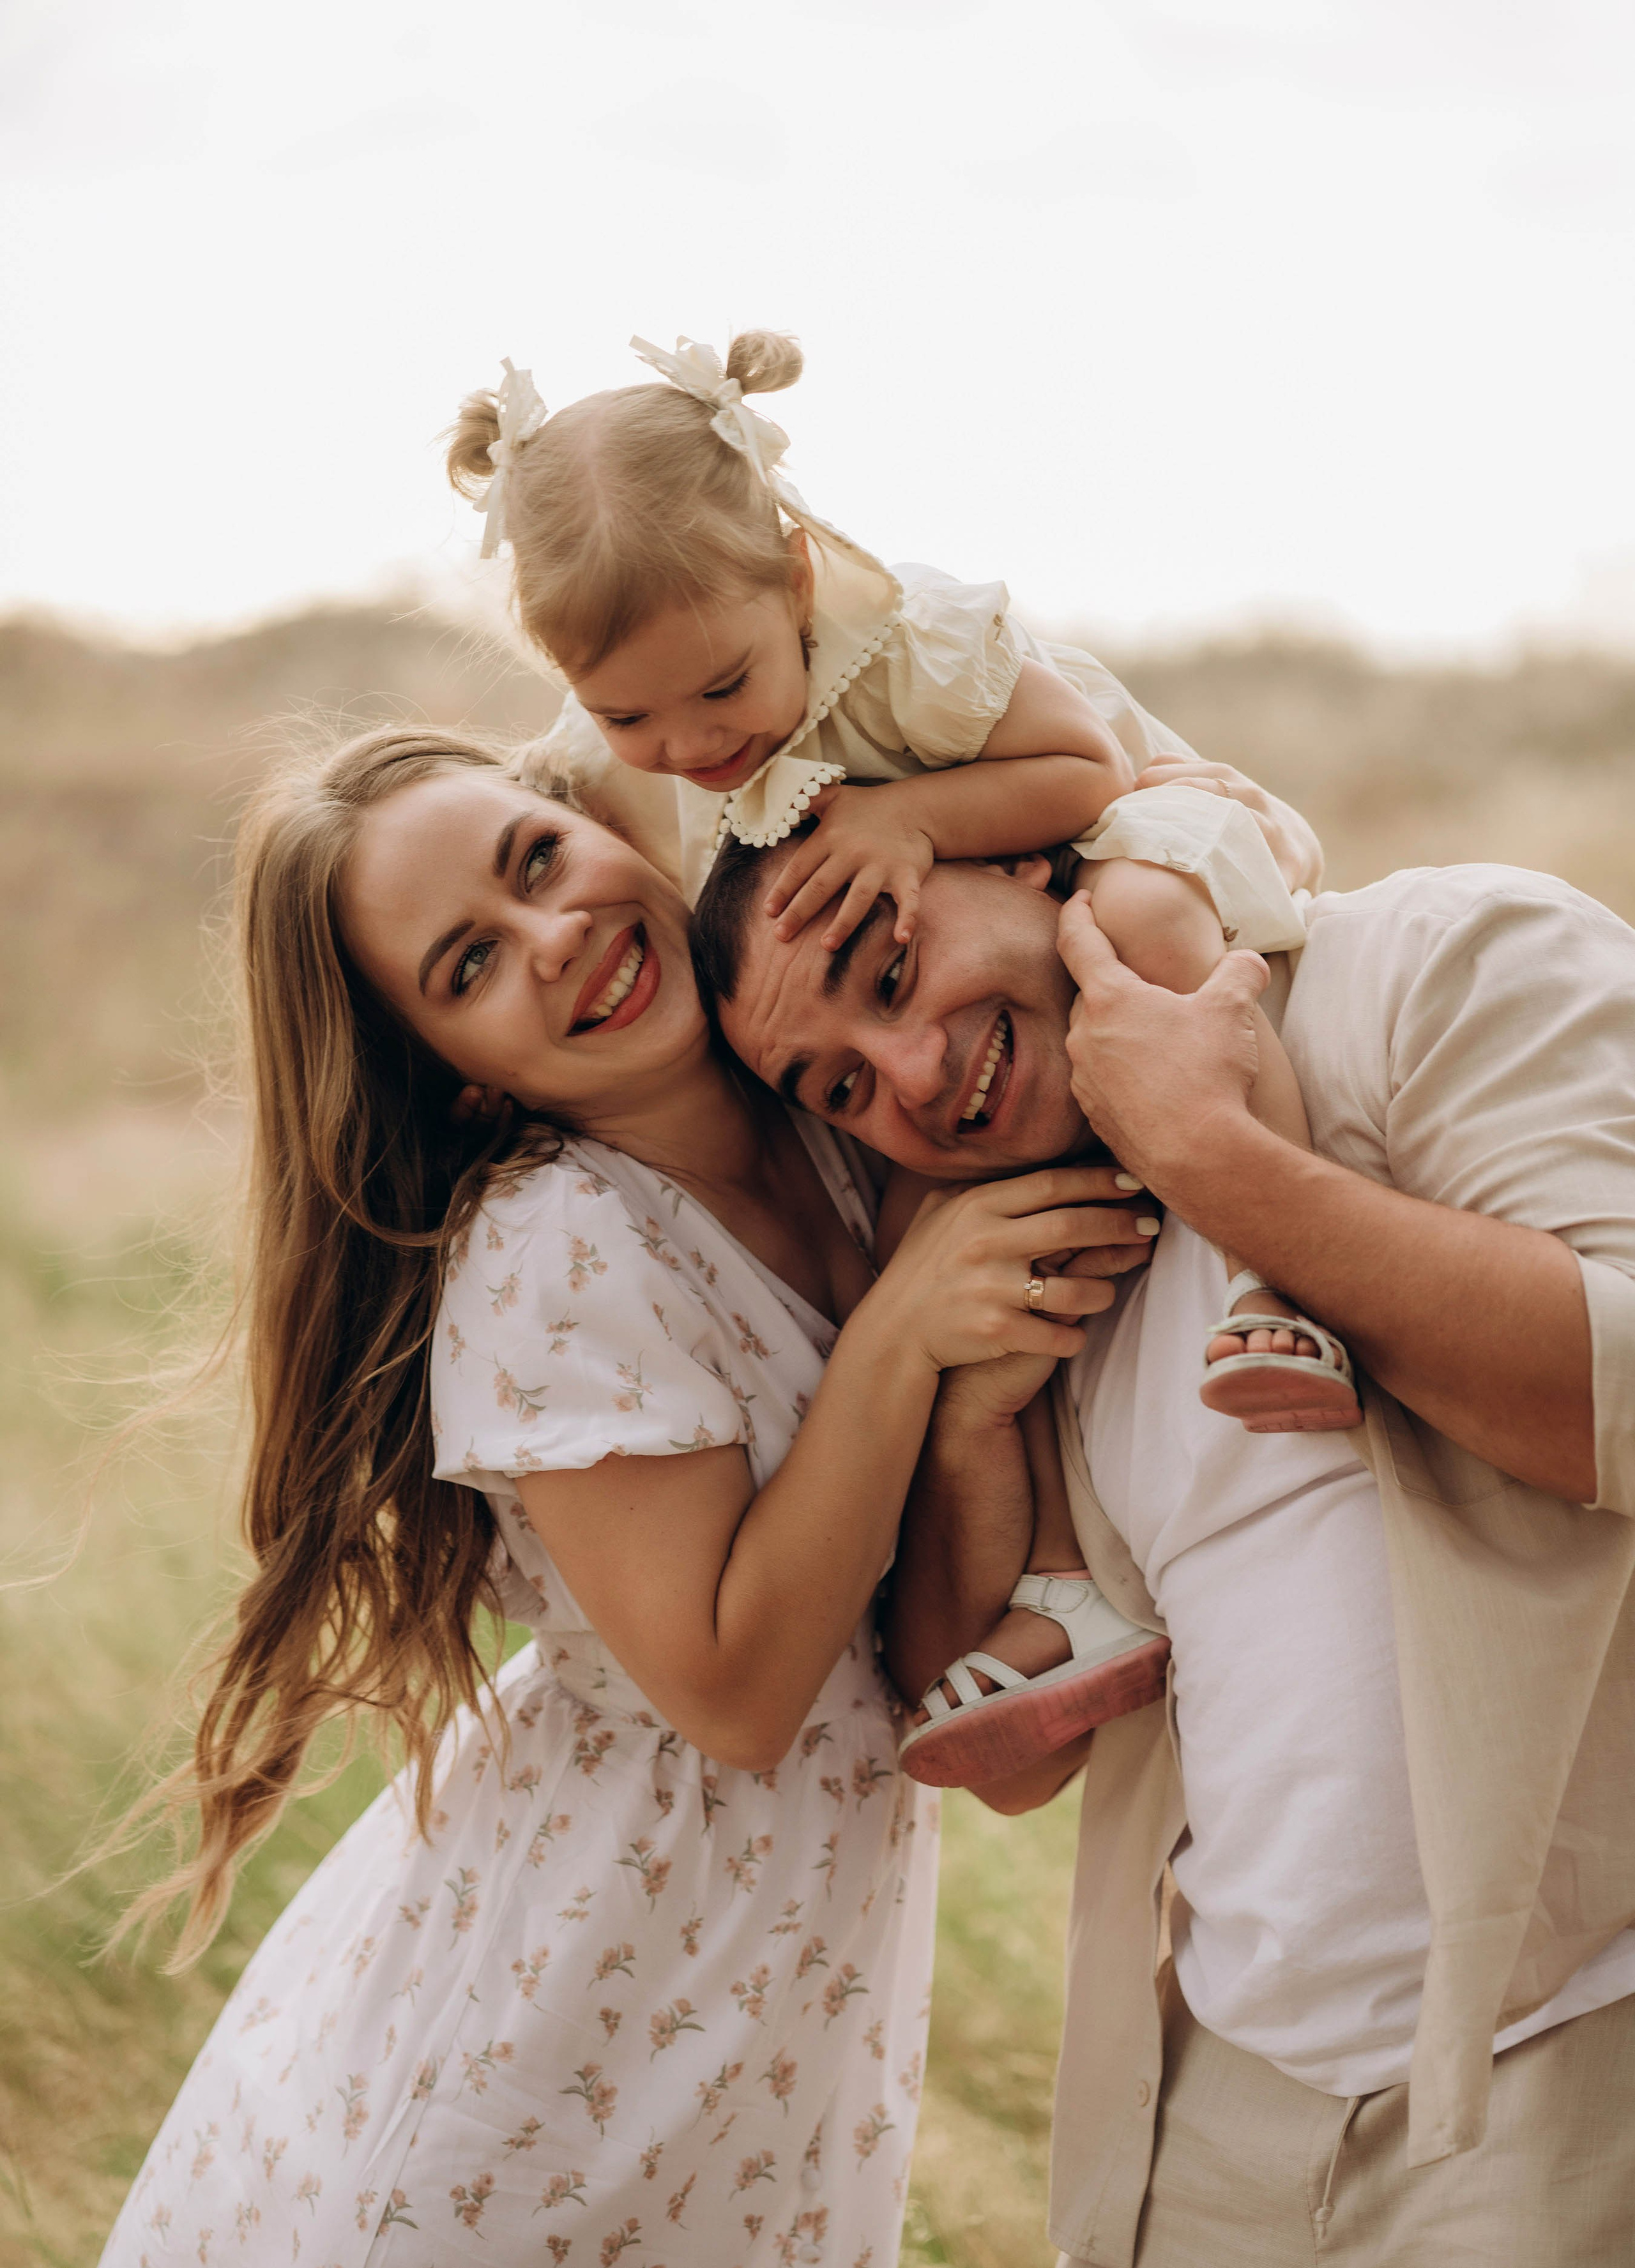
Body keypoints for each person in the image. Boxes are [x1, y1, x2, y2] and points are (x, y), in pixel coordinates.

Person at [101, 726, 1138, 2268]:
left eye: (539, 860)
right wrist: (905, 1338)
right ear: (458, 1084)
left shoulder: (836, 1123)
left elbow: (961, 1713)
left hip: (774, 2017)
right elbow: (731, 1690)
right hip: (558, 2034)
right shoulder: (555, 1246)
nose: (556, 934)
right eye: (468, 965)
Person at [696, 828, 1635, 2262]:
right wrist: (966, 1428)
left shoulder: (1438, 960)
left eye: (890, 969)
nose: (907, 1077)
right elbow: (1021, 1758)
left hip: (1561, 2064)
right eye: (837, 1089)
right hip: (1214, 2118)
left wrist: (1211, 1154)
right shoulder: (1042, 1233)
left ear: (1020, 861)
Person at [445, 329, 1348, 1785]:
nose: (687, 745)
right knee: (935, 1251)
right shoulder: (634, 755)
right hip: (961, 963)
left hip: (1120, 849)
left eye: (722, 689)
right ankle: (1058, 1583)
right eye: (630, 717)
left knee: (1144, 940)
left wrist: (918, 824)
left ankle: (1280, 1276)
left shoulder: (914, 649)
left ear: (794, 576)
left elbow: (1087, 777)